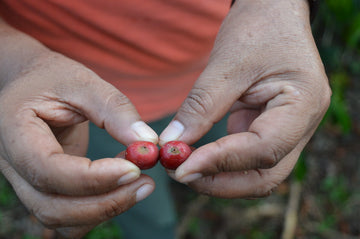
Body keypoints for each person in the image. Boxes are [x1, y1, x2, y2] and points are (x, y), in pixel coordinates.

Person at [0, 0, 330, 238]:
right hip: (84, 108)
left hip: (223, 81)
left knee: (216, 157)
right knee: (140, 207)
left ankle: (187, 189)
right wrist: (15, 63)